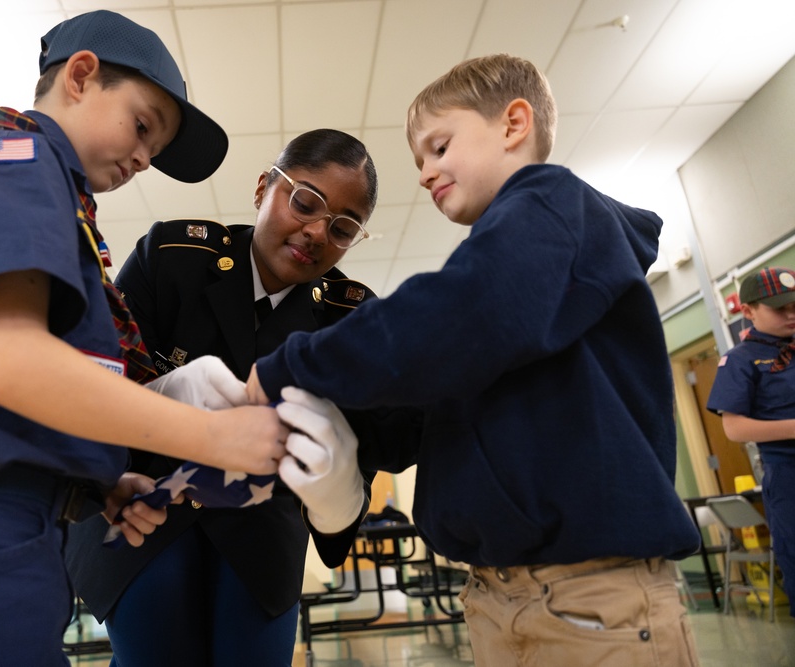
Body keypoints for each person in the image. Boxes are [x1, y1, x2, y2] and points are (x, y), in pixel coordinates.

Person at [0, 11, 288, 666]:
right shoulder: (14, 162)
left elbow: (20, 394)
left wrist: (99, 480)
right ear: (81, 75)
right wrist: (212, 436)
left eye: (154, 152)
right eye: (142, 126)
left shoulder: (53, 197)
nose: (142, 158)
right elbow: (9, 362)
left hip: (18, 519)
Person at [248, 54, 703, 666]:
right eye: (419, 160)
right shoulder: (521, 262)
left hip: (587, 597)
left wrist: (288, 367)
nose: (425, 172)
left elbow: (450, 316)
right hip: (505, 591)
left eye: (438, 147)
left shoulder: (550, 205)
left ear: (514, 123)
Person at [65, 128, 422, 666]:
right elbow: (99, 378)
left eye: (344, 228)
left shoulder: (349, 318)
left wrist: (338, 485)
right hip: (145, 509)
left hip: (261, 538)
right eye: (306, 202)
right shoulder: (173, 257)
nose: (317, 232)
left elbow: (367, 449)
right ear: (263, 188)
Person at [706, 266, 795, 616]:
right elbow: (735, 429)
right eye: (780, 308)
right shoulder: (740, 361)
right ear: (748, 311)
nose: (791, 314)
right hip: (788, 474)